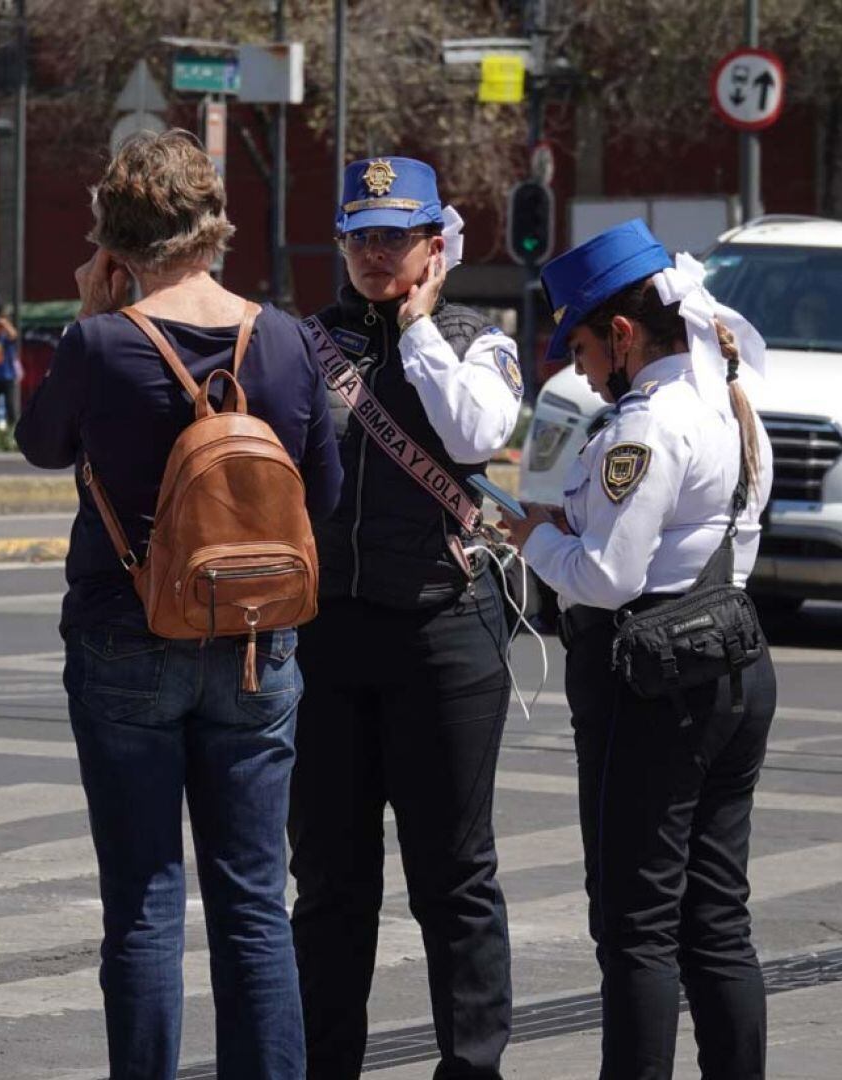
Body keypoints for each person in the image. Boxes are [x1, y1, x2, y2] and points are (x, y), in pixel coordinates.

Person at [16, 130, 341, 1080]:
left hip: (125, 635)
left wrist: (93, 311)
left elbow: (41, 445)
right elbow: (320, 498)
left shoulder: (98, 343)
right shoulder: (286, 339)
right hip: (254, 641)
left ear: (115, 241)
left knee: (145, 903)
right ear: (216, 225)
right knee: (254, 902)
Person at [498, 219, 776, 1080]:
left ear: (622, 335)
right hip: (732, 663)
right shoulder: (725, 401)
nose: (578, 369)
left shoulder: (646, 426)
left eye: (582, 347)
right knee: (716, 920)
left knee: (637, 927)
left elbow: (607, 577)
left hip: (655, 686)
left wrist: (529, 537)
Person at [291, 157, 524, 1079]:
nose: (377, 254)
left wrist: (420, 328)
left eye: (397, 236)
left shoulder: (477, 340)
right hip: (329, 634)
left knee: (453, 877)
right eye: (361, 237)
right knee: (329, 882)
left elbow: (474, 434)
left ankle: (471, 1068)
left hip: (443, 630)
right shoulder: (306, 343)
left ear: (437, 245)